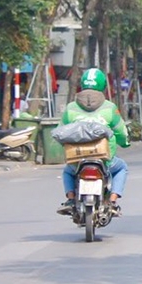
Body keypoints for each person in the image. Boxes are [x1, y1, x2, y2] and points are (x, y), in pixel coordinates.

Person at [57, 68, 130, 216]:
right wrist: (124, 142)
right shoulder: (110, 108)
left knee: (67, 171)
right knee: (122, 168)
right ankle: (113, 202)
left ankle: (71, 200)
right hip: (104, 160)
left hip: (77, 160)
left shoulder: (71, 108)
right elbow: (121, 131)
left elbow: (61, 132)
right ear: (103, 85)